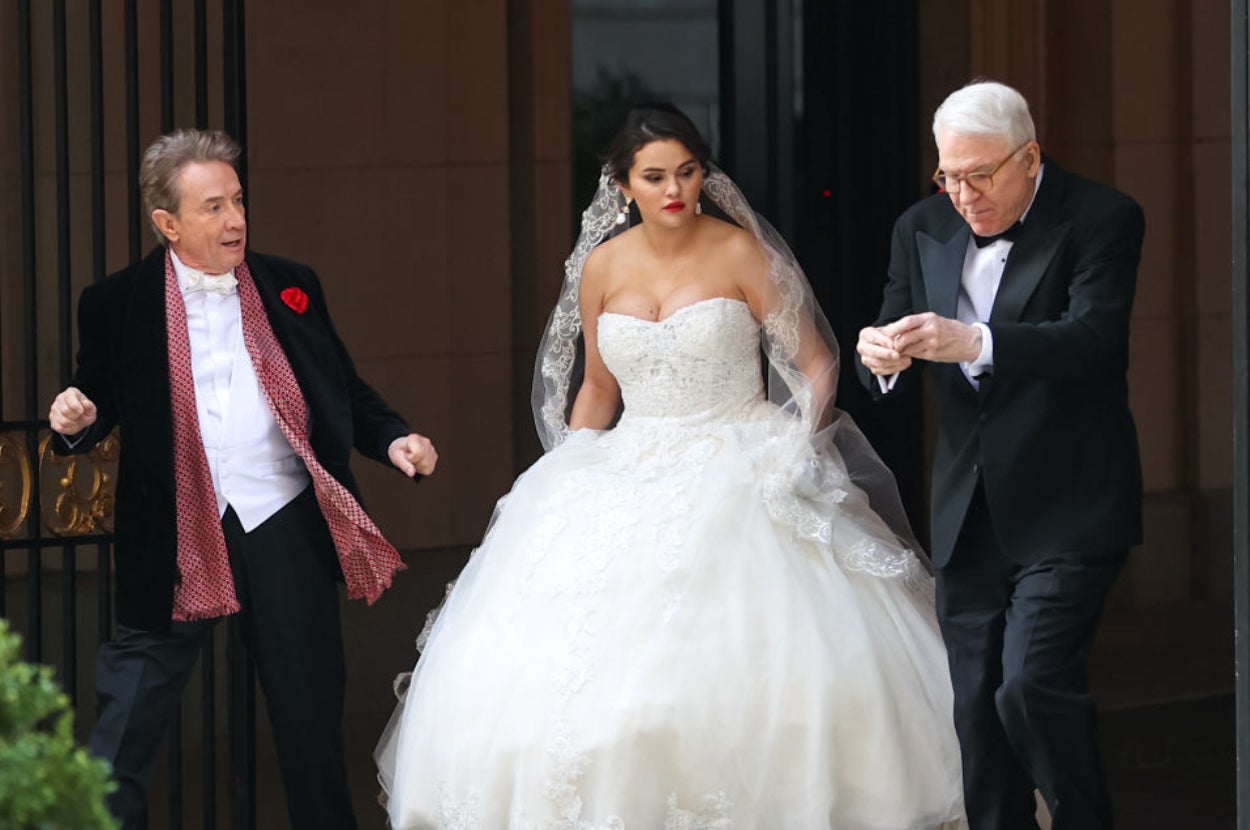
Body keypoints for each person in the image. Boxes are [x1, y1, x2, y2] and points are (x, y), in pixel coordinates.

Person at [376, 103, 967, 829]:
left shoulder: (740, 253)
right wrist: (568, 473)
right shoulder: (601, 266)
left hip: (742, 454)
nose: (674, 189)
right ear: (623, 185)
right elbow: (597, 388)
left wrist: (792, 449)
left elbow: (814, 362)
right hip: (631, 457)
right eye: (654, 177)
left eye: (687, 172)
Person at [47, 128, 438, 830]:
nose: (234, 221)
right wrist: (75, 416)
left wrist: (393, 437)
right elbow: (94, 400)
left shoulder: (290, 285)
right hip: (172, 535)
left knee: (310, 727)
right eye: (213, 207)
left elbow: (339, 387)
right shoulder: (114, 302)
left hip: (282, 521)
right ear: (167, 223)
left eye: (238, 201)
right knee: (124, 735)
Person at [856, 80, 1144, 830]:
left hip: (1071, 504)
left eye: (980, 176)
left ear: (1030, 158)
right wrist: (879, 353)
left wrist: (974, 342)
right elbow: (887, 332)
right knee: (977, 719)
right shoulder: (919, 225)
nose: (963, 195)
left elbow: (1093, 342)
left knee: (1030, 686)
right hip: (967, 509)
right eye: (949, 175)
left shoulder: (1103, 218)